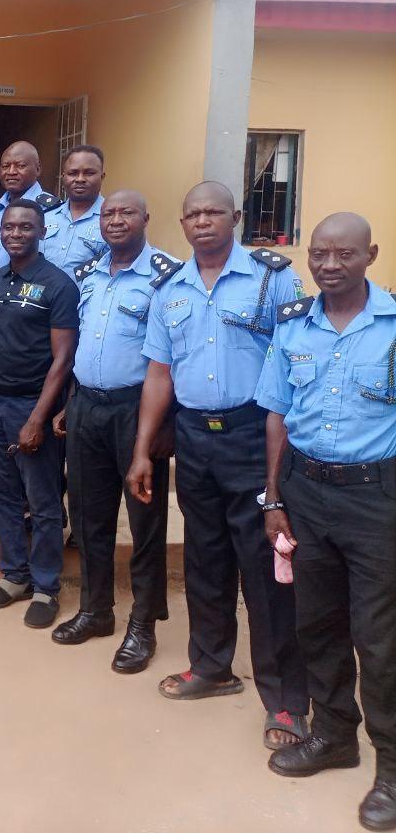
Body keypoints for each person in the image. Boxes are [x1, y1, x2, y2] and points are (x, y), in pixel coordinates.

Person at [127, 180, 307, 750]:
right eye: (193, 214)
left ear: (236, 217)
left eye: (213, 212)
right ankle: (211, 667)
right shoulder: (169, 288)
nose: (203, 221)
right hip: (194, 440)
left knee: (265, 570)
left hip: (256, 435)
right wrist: (142, 449)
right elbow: (159, 373)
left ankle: (285, 701)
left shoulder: (272, 277)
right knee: (205, 559)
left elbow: (300, 358)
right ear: (181, 224)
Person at [257, 213, 396, 831]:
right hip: (306, 492)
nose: (330, 265)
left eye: (344, 254)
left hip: (376, 501)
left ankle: (390, 770)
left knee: (380, 639)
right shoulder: (293, 327)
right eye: (319, 254)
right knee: (318, 624)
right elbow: (278, 416)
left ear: (370, 254)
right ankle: (336, 736)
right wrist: (273, 498)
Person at [50, 191, 172, 672]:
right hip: (87, 406)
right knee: (87, 518)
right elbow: (78, 344)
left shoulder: (166, 276)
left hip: (137, 411)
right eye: (108, 214)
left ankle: (143, 624)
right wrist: (68, 404)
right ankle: (96, 610)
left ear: (146, 218)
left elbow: (174, 357)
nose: (115, 220)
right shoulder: (89, 274)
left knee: (144, 524)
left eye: (126, 212)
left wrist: (167, 424)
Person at [0, 200, 78, 629]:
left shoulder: (58, 285)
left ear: (42, 231)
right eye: (9, 227)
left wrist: (39, 416)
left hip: (31, 404)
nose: (15, 233)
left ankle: (46, 586)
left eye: (25, 227)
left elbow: (63, 360)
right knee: (1, 493)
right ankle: (15, 575)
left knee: (43, 500)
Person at [0, 141, 57, 280]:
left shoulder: (52, 210)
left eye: (20, 166)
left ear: (38, 169)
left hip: (28, 295)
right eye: (5, 166)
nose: (11, 172)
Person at [43, 145, 109, 281]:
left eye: (89, 173)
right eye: (73, 173)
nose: (80, 179)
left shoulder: (113, 220)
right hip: (41, 299)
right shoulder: (45, 217)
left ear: (102, 177)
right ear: (63, 177)